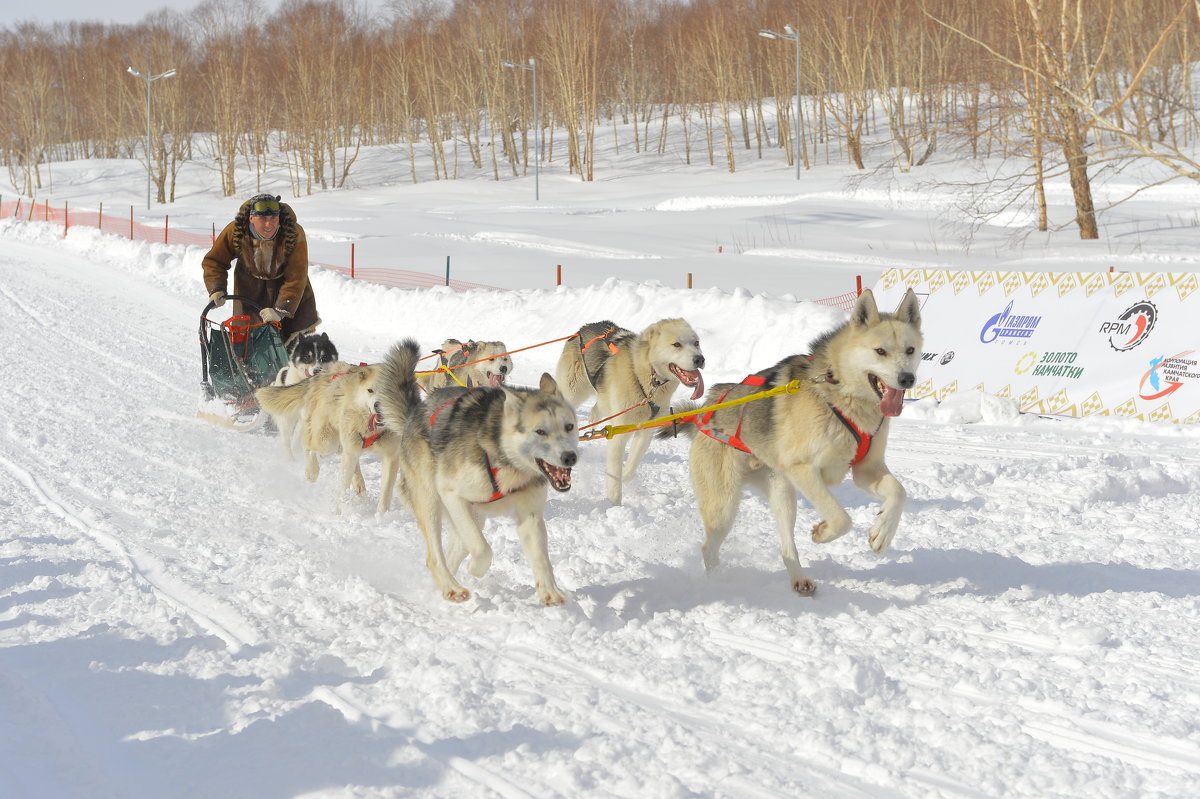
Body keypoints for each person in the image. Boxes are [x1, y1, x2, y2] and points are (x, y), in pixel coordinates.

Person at [202, 193, 320, 342]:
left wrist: (281, 310)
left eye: (273, 218)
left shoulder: (293, 233)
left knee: (294, 347)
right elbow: (215, 261)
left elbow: (296, 276)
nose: (268, 224)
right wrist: (217, 288)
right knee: (247, 344)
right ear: (251, 218)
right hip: (249, 289)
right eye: (262, 218)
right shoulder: (237, 230)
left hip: (286, 290)